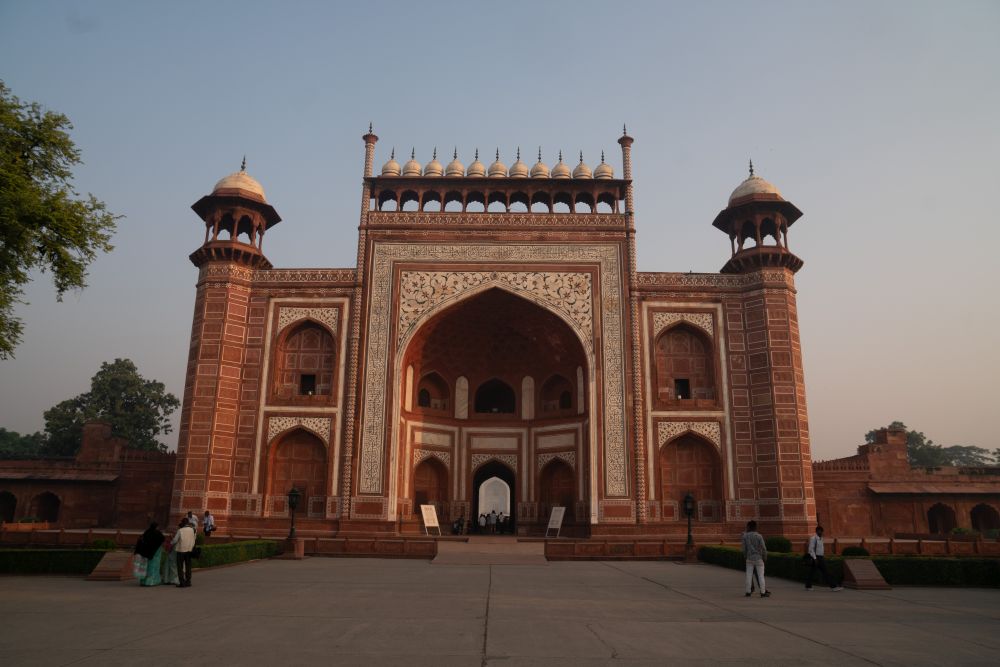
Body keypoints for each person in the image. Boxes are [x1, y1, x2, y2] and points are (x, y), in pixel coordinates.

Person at [806, 526, 843, 591]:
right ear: (816, 531)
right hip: (816, 558)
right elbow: (811, 549)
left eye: (821, 531)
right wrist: (815, 558)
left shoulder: (821, 539)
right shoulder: (813, 538)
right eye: (819, 531)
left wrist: (822, 556)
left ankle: (808, 586)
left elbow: (820, 549)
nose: (821, 532)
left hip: (820, 557)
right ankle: (833, 586)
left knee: (813, 572)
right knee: (826, 572)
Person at [741, 520, 770, 598]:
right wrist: (765, 557)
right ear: (755, 527)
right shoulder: (759, 536)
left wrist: (745, 556)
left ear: (749, 527)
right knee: (761, 576)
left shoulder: (745, 536)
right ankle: (763, 592)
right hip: (758, 558)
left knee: (748, 575)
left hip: (749, 558)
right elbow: (764, 548)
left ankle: (748, 592)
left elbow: (743, 549)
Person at [133, 522, 165, 586]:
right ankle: (151, 582)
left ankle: (143, 582)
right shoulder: (157, 533)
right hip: (154, 554)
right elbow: (162, 539)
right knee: (153, 567)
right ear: (156, 527)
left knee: (145, 567)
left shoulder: (147, 532)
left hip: (146, 553)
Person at [172, 518, 196, 588]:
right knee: (188, 566)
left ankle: (182, 582)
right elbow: (194, 539)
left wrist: (171, 542)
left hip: (181, 550)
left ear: (182, 523)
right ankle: (188, 581)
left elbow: (175, 540)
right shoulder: (192, 530)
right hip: (189, 550)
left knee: (180, 567)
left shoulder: (180, 530)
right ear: (188, 523)